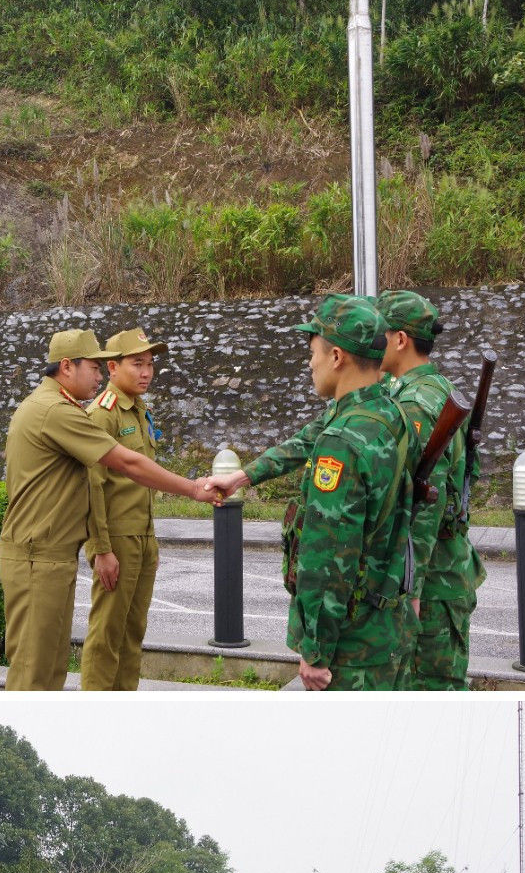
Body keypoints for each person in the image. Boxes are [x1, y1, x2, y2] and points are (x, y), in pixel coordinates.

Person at [0, 329, 224, 690]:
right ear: (68, 367)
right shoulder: (56, 411)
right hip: (37, 555)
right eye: (95, 367)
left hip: (50, 554)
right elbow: (124, 466)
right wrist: (193, 488)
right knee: (34, 676)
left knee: (51, 670)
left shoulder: (55, 407)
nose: (100, 375)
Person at [210, 295, 414, 690]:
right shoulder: (388, 412)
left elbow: (329, 557)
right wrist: (243, 476)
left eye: (312, 352)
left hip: (351, 649)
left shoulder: (341, 442)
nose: (310, 363)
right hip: (389, 628)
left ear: (336, 356)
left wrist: (316, 651)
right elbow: (307, 438)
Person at [377, 289, 485, 689]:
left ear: (400, 339)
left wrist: (411, 589)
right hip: (441, 575)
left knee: (432, 691)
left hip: (434, 582)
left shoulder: (420, 401)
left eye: (380, 333)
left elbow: (427, 503)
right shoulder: (422, 388)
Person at [81, 328, 168, 691]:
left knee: (133, 632)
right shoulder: (104, 414)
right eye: (137, 364)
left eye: (149, 364)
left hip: (144, 536)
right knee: (106, 635)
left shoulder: (139, 408)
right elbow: (92, 485)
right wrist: (101, 549)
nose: (146, 372)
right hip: (116, 538)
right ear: (112, 368)